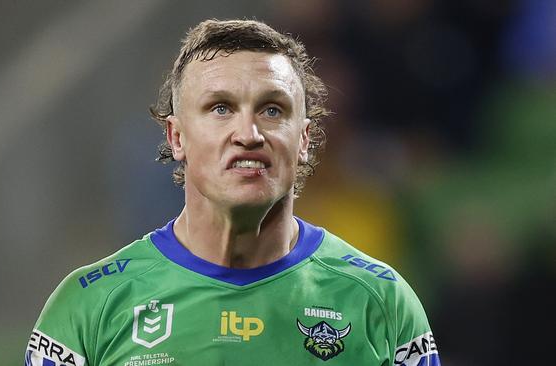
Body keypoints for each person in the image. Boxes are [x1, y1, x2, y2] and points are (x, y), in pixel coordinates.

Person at [24, 19, 440, 366]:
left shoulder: (382, 304)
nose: (248, 134)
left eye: (272, 109)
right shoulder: (89, 307)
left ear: (304, 140)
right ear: (176, 136)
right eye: (220, 108)